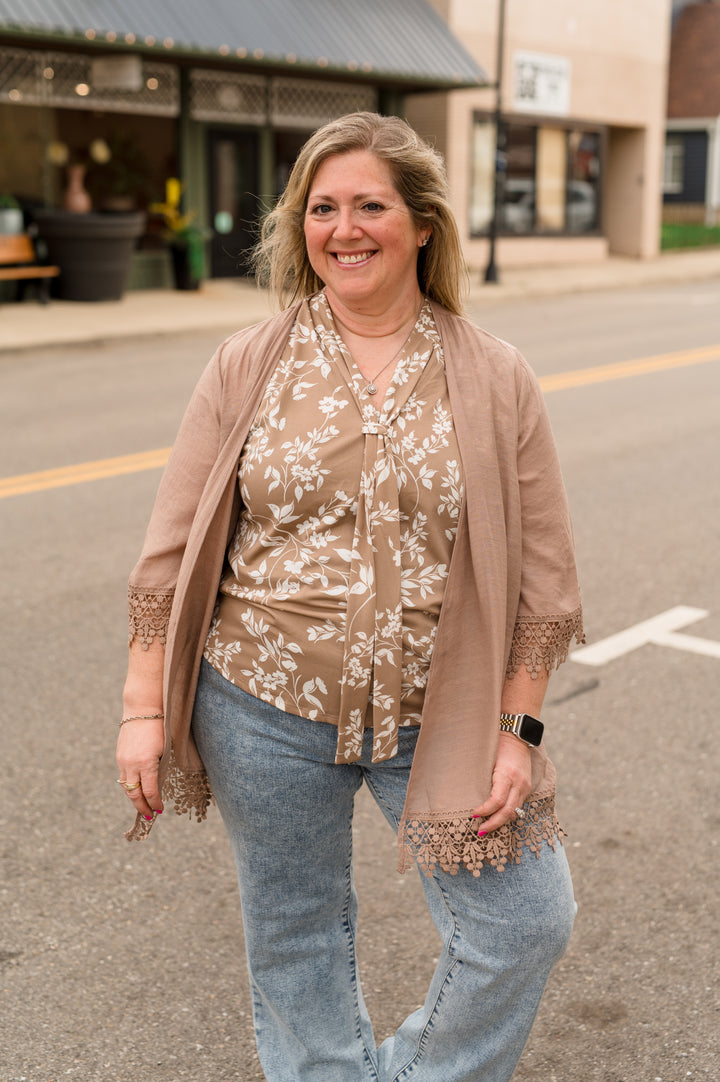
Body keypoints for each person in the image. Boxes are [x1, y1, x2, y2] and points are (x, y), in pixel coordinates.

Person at [117, 111, 585, 1082]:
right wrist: (141, 708)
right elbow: (167, 553)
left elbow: (542, 573)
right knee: (295, 939)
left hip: (436, 710)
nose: (345, 227)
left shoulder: (495, 376)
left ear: (420, 224)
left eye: (370, 204)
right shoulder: (248, 363)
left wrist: (519, 727)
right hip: (257, 705)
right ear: (300, 228)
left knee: (527, 920)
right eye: (321, 208)